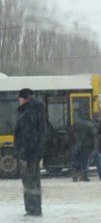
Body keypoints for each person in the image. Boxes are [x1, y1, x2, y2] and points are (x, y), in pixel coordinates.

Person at [14, 88, 47, 216]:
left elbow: (28, 136)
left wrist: (24, 153)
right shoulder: (34, 111)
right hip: (33, 153)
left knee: (30, 181)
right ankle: (33, 208)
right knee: (33, 181)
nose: (19, 100)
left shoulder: (29, 113)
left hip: (29, 155)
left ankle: (33, 209)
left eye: (20, 98)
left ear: (25, 98)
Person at [70, 115, 98, 182]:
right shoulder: (90, 125)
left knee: (77, 159)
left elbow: (70, 133)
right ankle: (83, 176)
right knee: (85, 161)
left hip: (76, 144)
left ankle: (75, 175)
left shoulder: (75, 123)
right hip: (87, 146)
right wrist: (95, 146)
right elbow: (94, 136)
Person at [86, 112, 101, 180]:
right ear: (97, 117)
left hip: (93, 145)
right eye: (100, 116)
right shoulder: (94, 125)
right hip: (93, 145)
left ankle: (86, 174)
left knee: (95, 160)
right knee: (94, 161)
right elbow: (95, 135)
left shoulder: (91, 123)